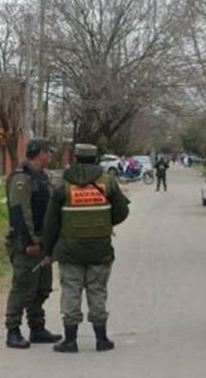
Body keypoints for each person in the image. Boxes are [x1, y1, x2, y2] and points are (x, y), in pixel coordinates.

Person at [42, 143, 130, 353]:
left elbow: (51, 222)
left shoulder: (62, 183)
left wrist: (48, 250)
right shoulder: (108, 182)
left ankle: (70, 341)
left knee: (71, 291)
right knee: (97, 291)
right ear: (95, 159)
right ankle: (101, 340)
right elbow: (122, 212)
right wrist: (104, 224)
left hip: (70, 248)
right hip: (100, 247)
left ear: (75, 158)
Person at [4, 138, 62, 349]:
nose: (50, 157)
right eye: (48, 153)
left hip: (43, 241)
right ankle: (13, 330)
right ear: (41, 154)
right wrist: (29, 242)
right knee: (22, 287)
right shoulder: (22, 178)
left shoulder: (43, 178)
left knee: (41, 288)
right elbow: (20, 212)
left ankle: (37, 328)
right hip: (26, 242)